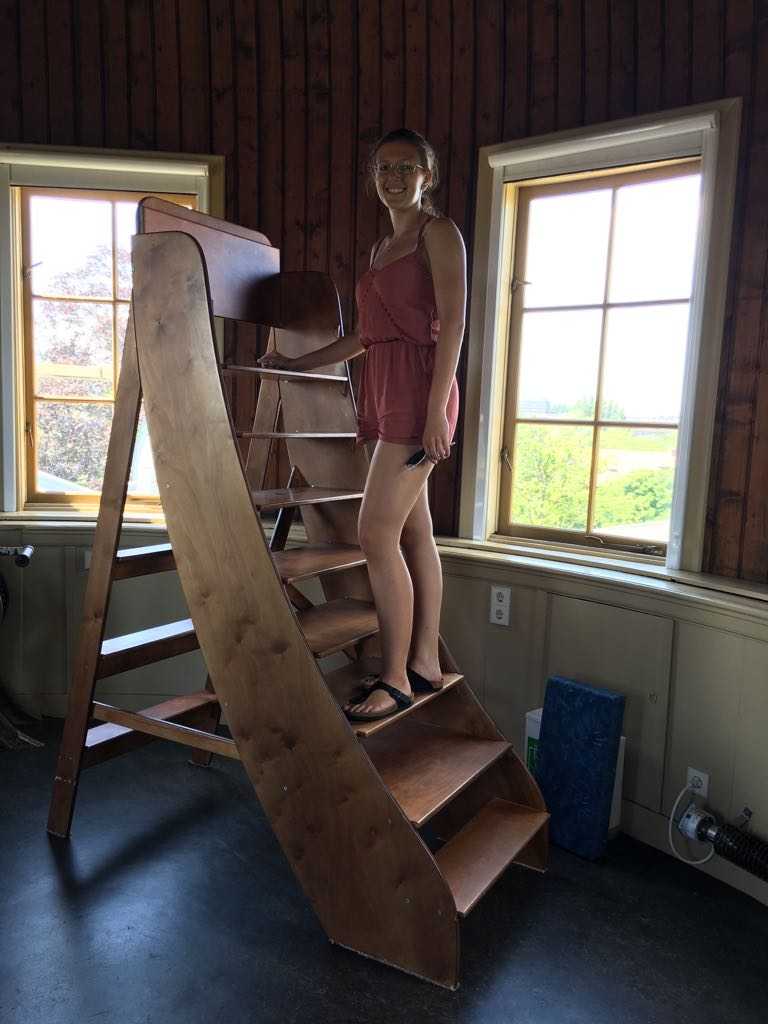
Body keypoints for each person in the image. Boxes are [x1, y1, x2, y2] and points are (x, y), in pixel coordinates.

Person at [257, 128, 466, 722]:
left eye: (405, 167)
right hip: (384, 392)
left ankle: (396, 677)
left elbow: (453, 324)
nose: (393, 177)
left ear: (428, 174)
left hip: (419, 395)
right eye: (382, 168)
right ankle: (424, 659)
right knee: (413, 532)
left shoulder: (439, 233)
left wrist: (433, 413)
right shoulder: (380, 250)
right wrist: (299, 363)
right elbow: (362, 338)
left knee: (375, 534)